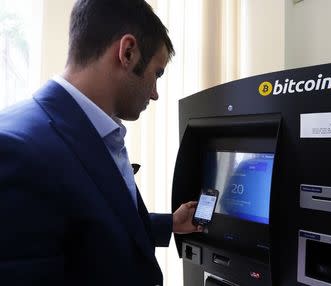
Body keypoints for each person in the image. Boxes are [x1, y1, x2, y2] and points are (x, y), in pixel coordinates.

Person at [0, 0, 201, 285]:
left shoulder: (92, 130)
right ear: (127, 52)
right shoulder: (16, 150)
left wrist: (170, 223)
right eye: (157, 73)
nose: (155, 93)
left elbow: (91, 225)